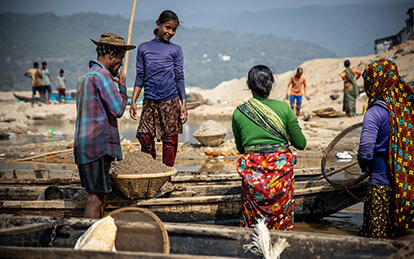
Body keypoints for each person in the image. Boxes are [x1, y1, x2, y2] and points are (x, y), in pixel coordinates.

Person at [232, 65, 307, 230]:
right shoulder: (285, 109)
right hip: (281, 179)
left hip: (253, 177)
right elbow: (301, 144)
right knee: (281, 228)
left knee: (254, 228)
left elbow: (241, 149)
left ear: (249, 84)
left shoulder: (239, 112)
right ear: (271, 84)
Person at [74, 32, 136, 218]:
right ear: (110, 55)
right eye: (120, 59)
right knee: (96, 198)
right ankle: (89, 241)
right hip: (97, 147)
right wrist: (123, 87)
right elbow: (118, 109)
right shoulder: (102, 77)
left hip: (84, 147)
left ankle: (95, 237)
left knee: (99, 194)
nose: (121, 64)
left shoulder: (85, 78)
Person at [357, 59, 414, 239]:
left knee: (377, 238)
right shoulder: (406, 108)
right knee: (400, 237)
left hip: (381, 183)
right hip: (406, 184)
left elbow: (366, 148)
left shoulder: (375, 111)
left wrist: (364, 165)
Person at [130, 10, 186, 167]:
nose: (170, 32)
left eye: (174, 29)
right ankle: (151, 172)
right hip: (149, 100)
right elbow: (140, 76)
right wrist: (133, 101)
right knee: (145, 137)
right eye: (168, 27)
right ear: (158, 24)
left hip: (170, 100)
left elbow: (179, 77)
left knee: (170, 141)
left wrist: (183, 104)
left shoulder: (176, 50)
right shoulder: (143, 48)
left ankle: (167, 176)